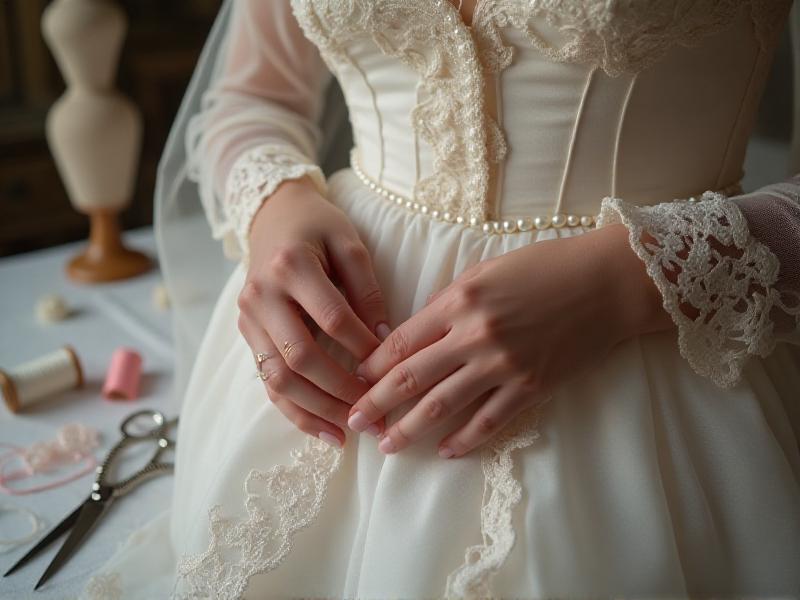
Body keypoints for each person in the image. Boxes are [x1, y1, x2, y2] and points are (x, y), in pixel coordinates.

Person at [82, 1, 800, 598]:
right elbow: (250, 98)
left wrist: (631, 277)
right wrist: (276, 206)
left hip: (659, 397)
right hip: (321, 380)